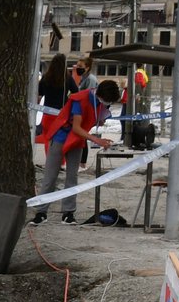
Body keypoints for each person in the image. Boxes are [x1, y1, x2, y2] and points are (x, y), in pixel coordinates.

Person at [33, 77, 123, 225]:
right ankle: (41, 212)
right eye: (108, 101)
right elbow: (76, 127)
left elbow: (92, 119)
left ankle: (68, 213)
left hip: (77, 141)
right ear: (102, 96)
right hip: (60, 138)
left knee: (72, 177)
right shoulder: (80, 99)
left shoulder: (100, 103)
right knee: (50, 177)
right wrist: (97, 140)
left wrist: (100, 119)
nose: (108, 104)